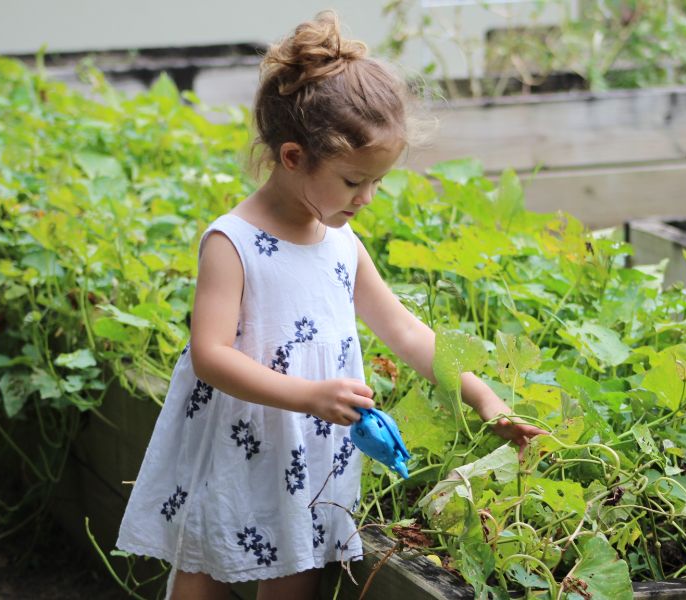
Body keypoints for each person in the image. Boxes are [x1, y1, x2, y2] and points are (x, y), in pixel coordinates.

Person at [115, 10, 546, 600]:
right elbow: (210, 355)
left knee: (298, 574)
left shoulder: (341, 244)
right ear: (293, 158)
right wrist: (309, 396)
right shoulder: (233, 243)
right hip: (241, 444)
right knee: (205, 570)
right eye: (352, 182)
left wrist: (484, 399)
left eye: (376, 183)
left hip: (310, 456)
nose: (366, 198)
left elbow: (408, 334)